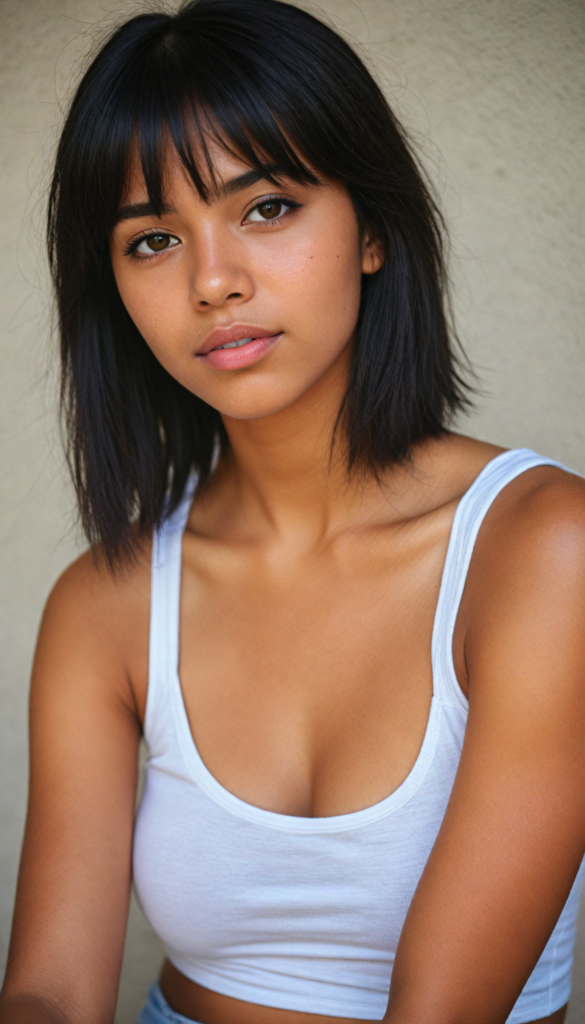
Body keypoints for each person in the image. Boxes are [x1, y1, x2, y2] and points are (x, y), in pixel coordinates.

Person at [2, 1, 585, 1022]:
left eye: (266, 206)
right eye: (152, 240)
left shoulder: (545, 551)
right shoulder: (105, 603)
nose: (214, 281)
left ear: (371, 230)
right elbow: (50, 985)